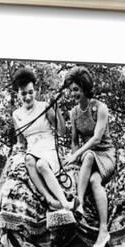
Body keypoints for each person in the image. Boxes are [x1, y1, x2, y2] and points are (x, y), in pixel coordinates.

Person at [64, 66, 116, 247]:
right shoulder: (74, 113)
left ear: (85, 88)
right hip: (87, 157)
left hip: (105, 155)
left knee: (88, 159)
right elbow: (74, 142)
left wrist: (77, 155)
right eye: (71, 90)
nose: (73, 94)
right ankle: (101, 230)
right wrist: (72, 160)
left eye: (76, 90)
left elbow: (96, 139)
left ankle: (80, 204)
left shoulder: (100, 108)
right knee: (93, 180)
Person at [12, 67, 74, 211]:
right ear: (17, 94)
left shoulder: (44, 107)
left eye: (30, 92)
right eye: (23, 94)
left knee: (41, 164)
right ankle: (49, 199)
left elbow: (62, 132)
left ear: (35, 91)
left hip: (49, 148)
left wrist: (57, 110)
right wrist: (15, 153)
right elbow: (20, 142)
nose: (27, 97)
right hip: (32, 151)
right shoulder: (16, 115)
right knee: (28, 160)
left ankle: (64, 202)